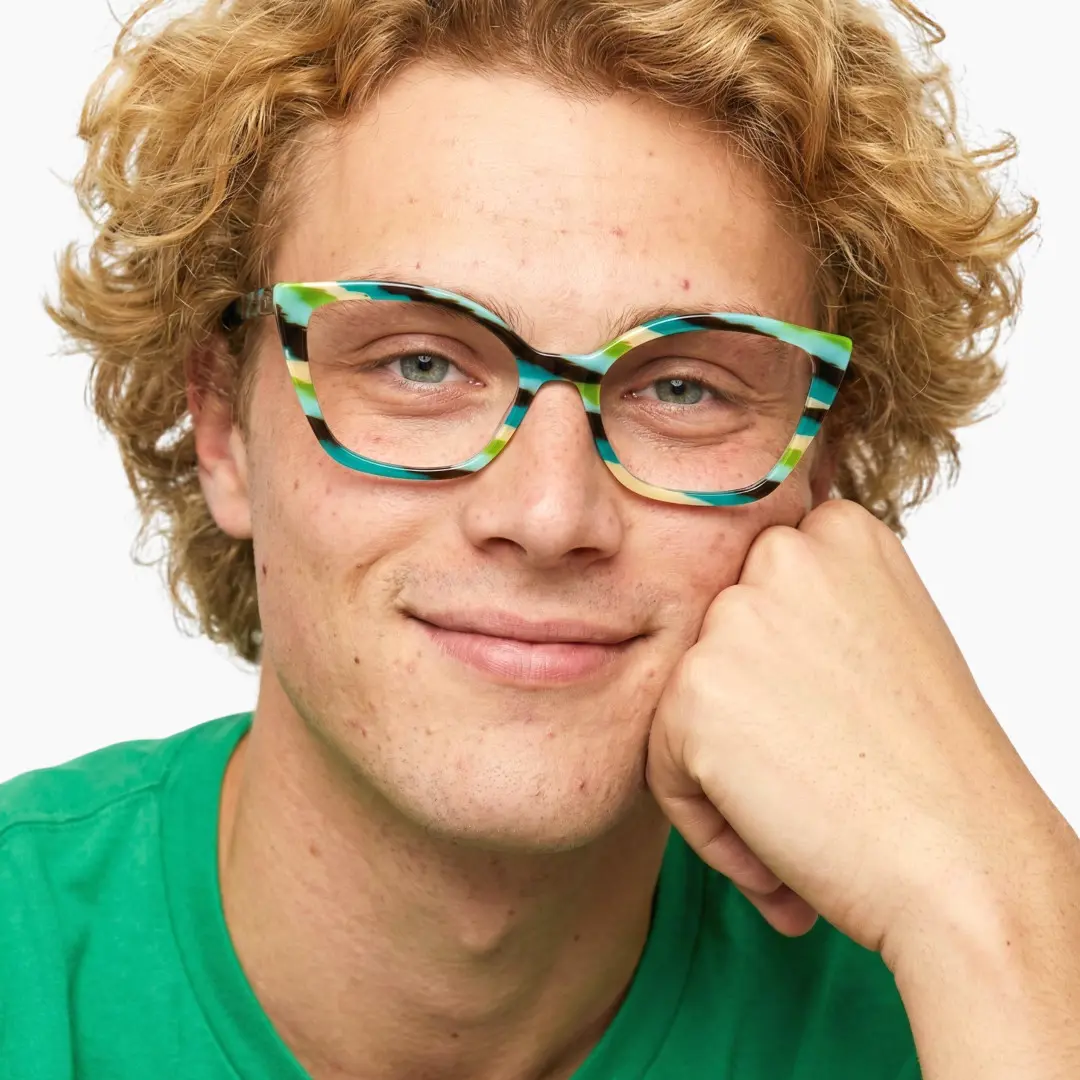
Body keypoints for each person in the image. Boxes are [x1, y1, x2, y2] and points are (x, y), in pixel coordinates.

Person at [2, 0, 1078, 1077]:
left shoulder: (963, 982)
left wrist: (1002, 907)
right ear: (223, 427)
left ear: (820, 470)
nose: (550, 515)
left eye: (685, 388)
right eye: (420, 364)